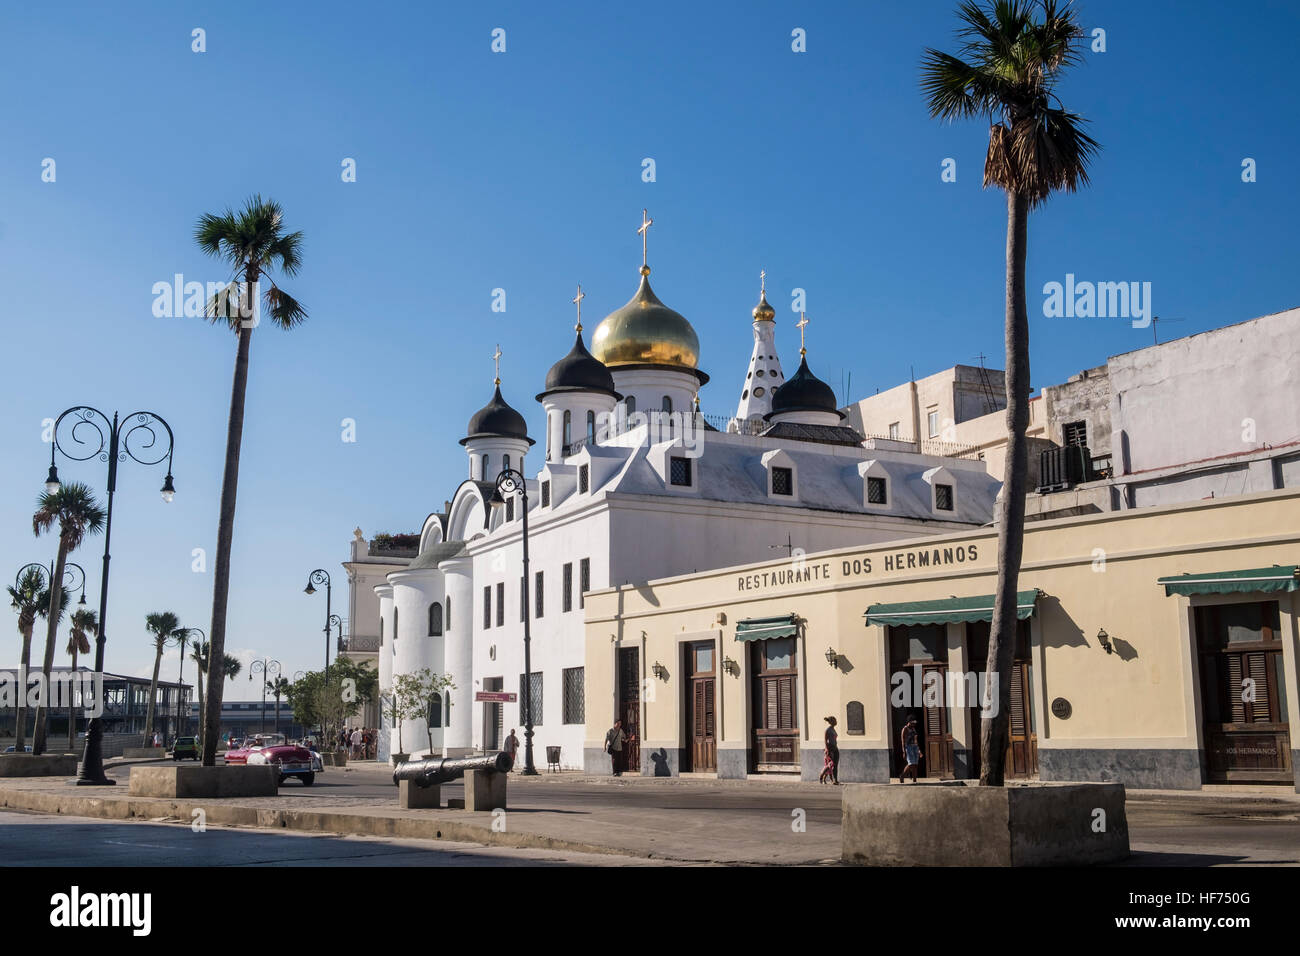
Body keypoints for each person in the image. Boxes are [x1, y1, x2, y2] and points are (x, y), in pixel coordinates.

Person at [900, 715, 921, 783]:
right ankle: (902, 775)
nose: (914, 724)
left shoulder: (913, 729)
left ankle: (915, 780)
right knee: (911, 764)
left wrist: (919, 750)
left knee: (915, 764)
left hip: (915, 747)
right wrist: (904, 751)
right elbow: (903, 741)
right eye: (913, 722)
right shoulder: (905, 729)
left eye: (914, 723)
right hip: (908, 748)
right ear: (909, 722)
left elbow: (915, 740)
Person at [820, 716, 840, 784]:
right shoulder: (828, 730)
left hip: (835, 748)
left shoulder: (833, 729)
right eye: (835, 720)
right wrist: (827, 749)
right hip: (830, 748)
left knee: (835, 764)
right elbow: (825, 740)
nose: (836, 721)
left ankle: (835, 780)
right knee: (831, 764)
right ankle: (822, 774)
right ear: (832, 721)